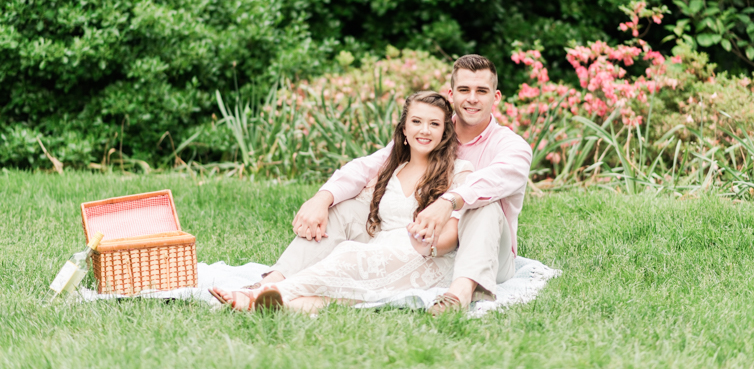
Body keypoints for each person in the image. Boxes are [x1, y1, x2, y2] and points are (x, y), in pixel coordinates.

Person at [217, 54, 532, 314]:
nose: (472, 98)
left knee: (483, 200)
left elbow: (498, 177)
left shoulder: (510, 145)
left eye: (482, 91)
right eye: (464, 90)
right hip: (420, 238)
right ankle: (270, 285)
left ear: (496, 96)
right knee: (345, 206)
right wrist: (322, 198)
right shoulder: (432, 128)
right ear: (452, 94)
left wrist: (449, 201)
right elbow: (368, 166)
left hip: (490, 251)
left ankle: (459, 294)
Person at [210, 91, 473, 312]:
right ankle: (280, 304)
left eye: (434, 124)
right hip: (382, 250)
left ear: (445, 133)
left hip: (427, 257)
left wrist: (427, 244)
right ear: (404, 129)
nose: (424, 130)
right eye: (416, 121)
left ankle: (261, 293)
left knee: (349, 255)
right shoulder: (392, 169)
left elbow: (454, 232)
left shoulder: (460, 171)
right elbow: (355, 177)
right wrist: (322, 200)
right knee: (348, 276)